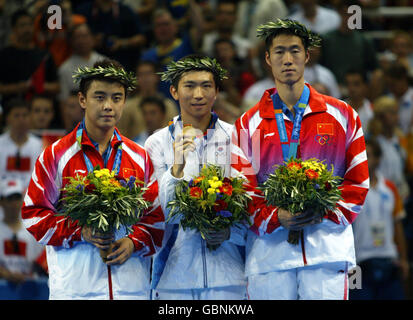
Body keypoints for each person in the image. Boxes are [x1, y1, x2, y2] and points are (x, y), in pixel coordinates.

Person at [231, 19, 369, 300]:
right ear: (267, 59)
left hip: (326, 251)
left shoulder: (343, 115)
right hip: (270, 255)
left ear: (307, 56)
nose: (288, 59)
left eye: (295, 51)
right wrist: (276, 217)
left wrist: (323, 213)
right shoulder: (248, 124)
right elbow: (241, 191)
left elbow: (358, 183)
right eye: (279, 52)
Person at [21, 59, 164, 300]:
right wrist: (80, 231)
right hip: (75, 289)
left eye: (117, 98)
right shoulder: (56, 155)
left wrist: (133, 242)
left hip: (130, 290)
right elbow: (34, 216)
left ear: (125, 102)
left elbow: (156, 220)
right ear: (82, 100)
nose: (109, 106)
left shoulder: (139, 157)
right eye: (100, 97)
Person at [145, 54, 247, 300]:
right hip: (174, 277)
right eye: (189, 86)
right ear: (174, 91)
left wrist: (229, 233)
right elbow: (158, 214)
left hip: (230, 277)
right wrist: (176, 169)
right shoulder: (156, 144)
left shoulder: (239, 139)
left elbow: (252, 205)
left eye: (206, 86)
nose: (198, 94)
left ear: (217, 91)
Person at [351, 138, 408, 300]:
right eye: (361, 155)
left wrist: (403, 259)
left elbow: (398, 225)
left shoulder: (390, 188)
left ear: (378, 158)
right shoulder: (350, 190)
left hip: (389, 260)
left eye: (368, 155)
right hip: (357, 265)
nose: (364, 159)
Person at [0, 177, 48, 299]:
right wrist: (6, 275)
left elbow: (42, 263)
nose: (14, 203)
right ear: (2, 201)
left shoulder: (33, 230)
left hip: (31, 291)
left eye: (17, 197)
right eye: (10, 198)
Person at [0, 9, 59, 106]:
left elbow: (57, 87)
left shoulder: (44, 54)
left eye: (30, 25)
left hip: (39, 108)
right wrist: (18, 87)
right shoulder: (4, 55)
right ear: (14, 29)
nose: (27, 29)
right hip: (12, 108)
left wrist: (38, 85)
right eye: (22, 25)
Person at [0, 98, 43, 189]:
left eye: (25, 115)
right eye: (16, 115)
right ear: (7, 118)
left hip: (30, 197)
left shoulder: (40, 145)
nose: (21, 120)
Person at [58, 23, 107, 102]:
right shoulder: (65, 68)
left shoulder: (105, 62)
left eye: (85, 36)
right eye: (78, 37)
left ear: (92, 38)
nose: (82, 41)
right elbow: (64, 99)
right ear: (72, 41)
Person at [344, 70, 374, 134]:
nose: (351, 88)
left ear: (365, 86)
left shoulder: (372, 110)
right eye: (348, 84)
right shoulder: (339, 109)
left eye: (356, 84)